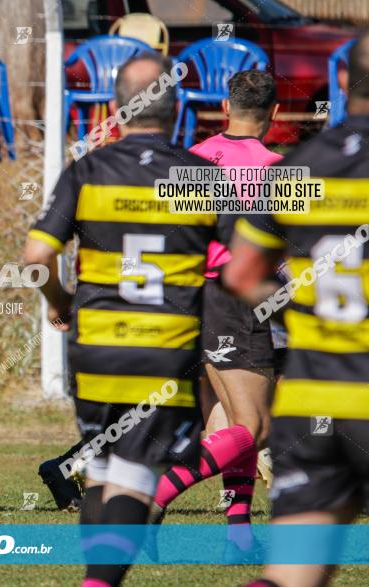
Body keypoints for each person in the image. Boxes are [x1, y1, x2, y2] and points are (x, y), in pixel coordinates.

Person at [24, 52, 214, 587]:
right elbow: (240, 267)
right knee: (134, 477)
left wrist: (59, 304)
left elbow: (36, 260)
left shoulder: (86, 170)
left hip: (95, 345)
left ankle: (96, 575)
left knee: (103, 470)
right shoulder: (199, 177)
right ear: (177, 111)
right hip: (166, 348)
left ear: (114, 108)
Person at [226, 31, 369, 587]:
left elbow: (240, 275)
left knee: (290, 577)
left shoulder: (295, 168)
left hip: (313, 402)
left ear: (339, 81)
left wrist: (307, 308)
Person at [149, 70, 283, 561]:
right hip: (240, 301)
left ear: (225, 110)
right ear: (274, 115)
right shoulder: (279, 169)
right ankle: (156, 495)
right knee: (255, 428)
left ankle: (239, 536)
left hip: (191, 300)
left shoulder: (193, 161)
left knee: (226, 421)